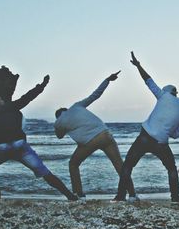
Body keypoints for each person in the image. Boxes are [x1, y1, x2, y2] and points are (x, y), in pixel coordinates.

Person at [0, 75, 77, 201]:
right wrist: (42, 86)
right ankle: (69, 195)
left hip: (2, 148)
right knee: (44, 172)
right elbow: (28, 97)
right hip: (19, 145)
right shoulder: (10, 107)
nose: (2, 100)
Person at [113, 52, 179, 205]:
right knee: (171, 169)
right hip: (161, 142)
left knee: (128, 165)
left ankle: (120, 197)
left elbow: (148, 80)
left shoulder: (163, 95)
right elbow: (176, 135)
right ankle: (175, 198)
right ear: (176, 94)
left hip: (144, 137)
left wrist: (138, 65)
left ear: (167, 91)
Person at [54, 71, 138, 202]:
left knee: (73, 164)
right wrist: (107, 80)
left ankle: (79, 195)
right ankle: (132, 195)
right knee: (119, 165)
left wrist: (63, 127)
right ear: (66, 109)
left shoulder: (59, 122)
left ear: (58, 115)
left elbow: (59, 136)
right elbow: (95, 95)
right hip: (106, 134)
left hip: (91, 141)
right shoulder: (77, 106)